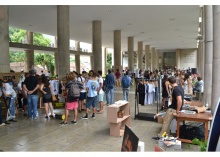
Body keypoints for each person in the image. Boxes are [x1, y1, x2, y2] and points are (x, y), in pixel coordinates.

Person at [152, 76, 184, 140]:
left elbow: (179, 100)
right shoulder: (180, 88)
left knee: (166, 122)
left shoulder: (175, 89)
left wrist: (177, 111)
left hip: (173, 110)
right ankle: (166, 135)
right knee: (167, 122)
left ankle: (161, 136)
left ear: (169, 82)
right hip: (175, 108)